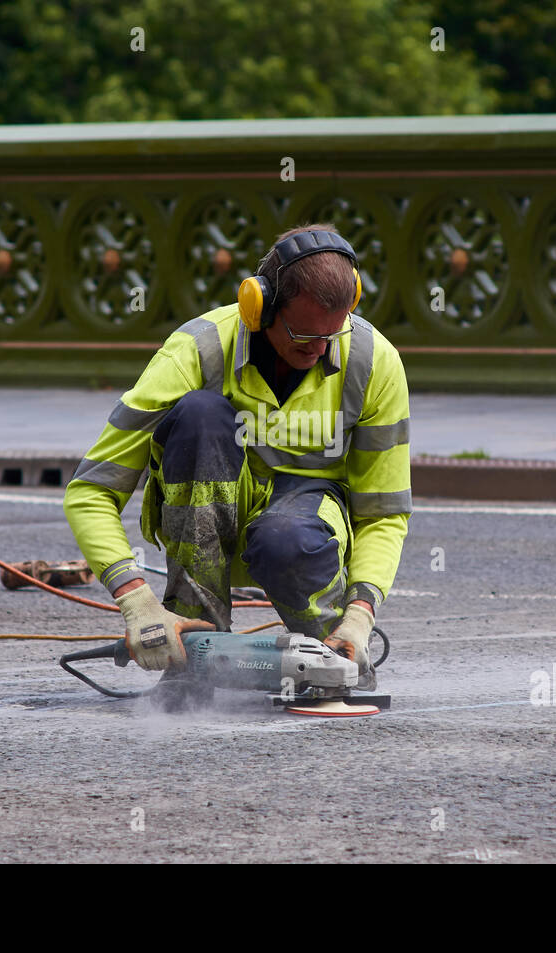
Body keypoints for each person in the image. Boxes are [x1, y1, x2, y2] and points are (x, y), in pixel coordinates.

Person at [63, 224, 411, 689]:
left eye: (333, 333)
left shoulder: (372, 362)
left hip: (301, 537)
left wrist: (360, 615)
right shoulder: (198, 351)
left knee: (286, 535)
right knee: (200, 416)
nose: (320, 349)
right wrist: (139, 605)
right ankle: (192, 649)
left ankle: (331, 649)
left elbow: (382, 514)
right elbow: (91, 490)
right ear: (259, 305)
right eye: (303, 334)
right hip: (204, 523)